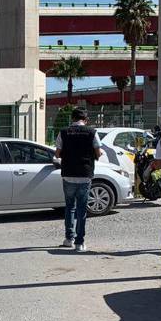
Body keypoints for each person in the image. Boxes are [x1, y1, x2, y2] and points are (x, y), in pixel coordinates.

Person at [54, 108, 104, 252]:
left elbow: (57, 154)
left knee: (70, 207)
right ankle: (79, 243)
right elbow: (98, 153)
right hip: (85, 174)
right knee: (82, 209)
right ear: (86, 119)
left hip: (68, 173)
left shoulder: (63, 132)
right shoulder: (92, 132)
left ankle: (69, 238)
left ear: (72, 119)